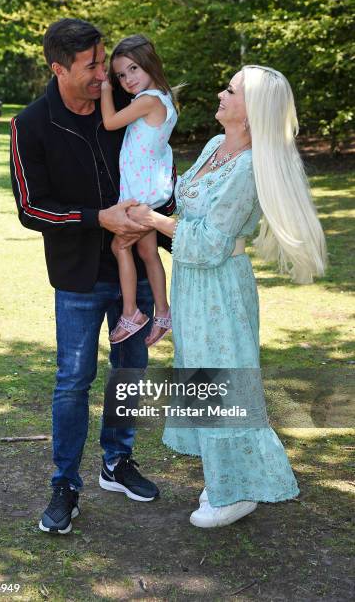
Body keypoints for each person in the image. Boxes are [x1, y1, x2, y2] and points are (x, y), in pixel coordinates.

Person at [127, 66, 327, 528]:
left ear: (252, 110)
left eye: (231, 90)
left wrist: (153, 221)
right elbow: (190, 204)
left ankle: (235, 488)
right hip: (192, 282)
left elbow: (211, 241)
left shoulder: (251, 164)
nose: (221, 93)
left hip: (219, 282)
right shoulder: (217, 146)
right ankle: (227, 476)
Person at [10, 19, 175, 535]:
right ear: (59, 68)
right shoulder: (31, 124)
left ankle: (117, 462)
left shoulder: (128, 109)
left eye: (105, 61)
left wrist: (173, 231)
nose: (105, 73)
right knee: (72, 382)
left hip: (138, 268)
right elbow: (31, 207)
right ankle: (65, 484)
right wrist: (96, 217)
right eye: (92, 66)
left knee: (131, 371)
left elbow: (153, 177)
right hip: (79, 275)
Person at [100, 35, 176, 347]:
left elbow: (110, 123)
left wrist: (106, 90)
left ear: (149, 64)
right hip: (149, 190)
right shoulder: (163, 96)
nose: (127, 79)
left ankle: (132, 313)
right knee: (147, 252)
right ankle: (163, 313)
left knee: (120, 247)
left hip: (139, 195)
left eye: (133, 69)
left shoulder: (148, 100)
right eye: (119, 75)